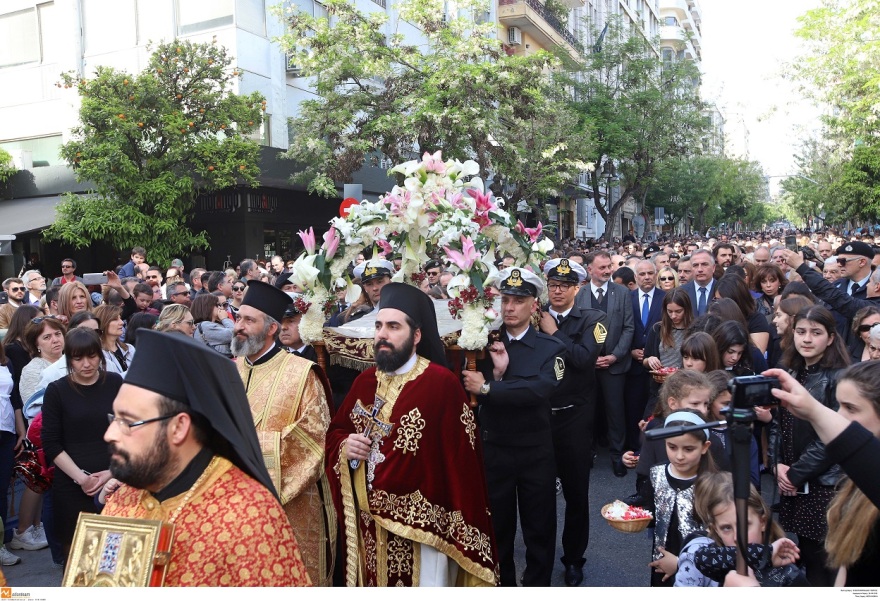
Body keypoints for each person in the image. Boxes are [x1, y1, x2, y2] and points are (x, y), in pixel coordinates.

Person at [97, 329, 311, 585]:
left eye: (128, 422)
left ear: (178, 428)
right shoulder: (123, 499)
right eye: (114, 418)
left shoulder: (249, 519)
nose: (109, 434)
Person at [330, 283, 497, 586]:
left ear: (416, 335)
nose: (382, 334)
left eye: (394, 327)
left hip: (423, 532)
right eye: (379, 325)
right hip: (369, 527)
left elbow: (462, 465)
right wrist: (346, 446)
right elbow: (338, 431)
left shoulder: (441, 384)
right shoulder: (365, 382)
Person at [463, 267, 565, 586]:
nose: (509, 307)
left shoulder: (552, 348)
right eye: (505, 300)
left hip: (536, 452)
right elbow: (469, 387)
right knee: (498, 530)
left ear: (534, 305)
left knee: (540, 530)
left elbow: (541, 389)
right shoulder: (480, 347)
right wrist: (495, 377)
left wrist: (491, 389)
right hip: (496, 450)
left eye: (518, 301)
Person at [232, 281, 335, 586]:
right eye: (238, 318)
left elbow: (312, 443)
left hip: (289, 508)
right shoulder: (229, 371)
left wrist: (241, 454)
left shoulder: (302, 373)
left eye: (249, 320)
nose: (239, 326)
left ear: (272, 328)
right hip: (234, 509)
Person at [766, 362, 880, 586]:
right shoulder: (855, 486)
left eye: (851, 408)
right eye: (838, 406)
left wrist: (814, 411)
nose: (839, 416)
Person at [769, 305, 849, 586]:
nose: (806, 339)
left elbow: (831, 437)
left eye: (816, 333)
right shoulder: (791, 370)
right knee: (807, 556)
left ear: (830, 338)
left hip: (825, 485)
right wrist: (776, 463)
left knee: (828, 562)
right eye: (801, 332)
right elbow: (778, 423)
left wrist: (795, 473)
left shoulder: (839, 377)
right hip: (796, 479)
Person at [537, 258, 605, 586]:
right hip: (541, 417)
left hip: (575, 416)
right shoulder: (535, 318)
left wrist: (554, 333)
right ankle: (541, 557)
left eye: (564, 286)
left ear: (577, 288)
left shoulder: (593, 319)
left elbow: (582, 359)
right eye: (552, 285)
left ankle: (574, 559)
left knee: (577, 494)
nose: (558, 291)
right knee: (539, 493)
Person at [41, 329, 122, 557]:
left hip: (115, 478)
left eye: (92, 356)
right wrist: (82, 478)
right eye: (78, 358)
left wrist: (112, 472)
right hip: (71, 483)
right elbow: (51, 442)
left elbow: (129, 431)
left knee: (115, 553)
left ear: (100, 355)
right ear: (69, 359)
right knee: (76, 554)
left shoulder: (114, 382)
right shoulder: (57, 390)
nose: (86, 364)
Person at [680, 472, 804, 587]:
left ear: (763, 522)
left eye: (744, 525)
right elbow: (701, 558)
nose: (736, 537)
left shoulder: (789, 575)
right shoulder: (720, 558)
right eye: (726, 528)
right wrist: (766, 554)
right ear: (715, 530)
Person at [574, 250, 634, 478]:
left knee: (615, 413)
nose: (608, 270)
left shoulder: (622, 293)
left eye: (609, 266)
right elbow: (576, 330)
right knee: (587, 411)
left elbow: (629, 327)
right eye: (602, 267)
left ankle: (617, 456)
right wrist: (588, 357)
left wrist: (615, 355)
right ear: (590, 270)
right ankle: (587, 454)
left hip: (614, 364)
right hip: (587, 365)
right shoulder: (579, 294)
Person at [644, 410, 716, 587]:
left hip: (699, 570)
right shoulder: (657, 473)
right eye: (672, 447)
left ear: (705, 447)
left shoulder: (714, 485)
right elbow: (652, 513)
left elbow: (721, 540)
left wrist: (679, 562)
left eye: (689, 449)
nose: (679, 456)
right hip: (661, 562)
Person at [627, 260, 665, 452]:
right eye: (642, 274)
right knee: (633, 408)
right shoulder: (627, 298)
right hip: (632, 365)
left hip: (658, 366)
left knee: (655, 409)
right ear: (635, 277)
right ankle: (635, 447)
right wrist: (630, 351)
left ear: (656, 274)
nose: (647, 277)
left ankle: (652, 449)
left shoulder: (665, 298)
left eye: (650, 273)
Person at [0, 342, 25, 566]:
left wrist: (21, 430)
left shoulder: (5, 362)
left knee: (1, 490)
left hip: (6, 433)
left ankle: (1, 545)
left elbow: (13, 397)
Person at [94, 305, 136, 378]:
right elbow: (109, 380)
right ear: (104, 322)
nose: (122, 322)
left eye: (120, 318)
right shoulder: (97, 354)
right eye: (115, 319)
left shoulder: (129, 348)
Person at [681, 250, 717, 317]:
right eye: (695, 265)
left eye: (704, 264)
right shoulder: (682, 292)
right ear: (691, 269)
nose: (700, 269)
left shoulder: (722, 290)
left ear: (713, 268)